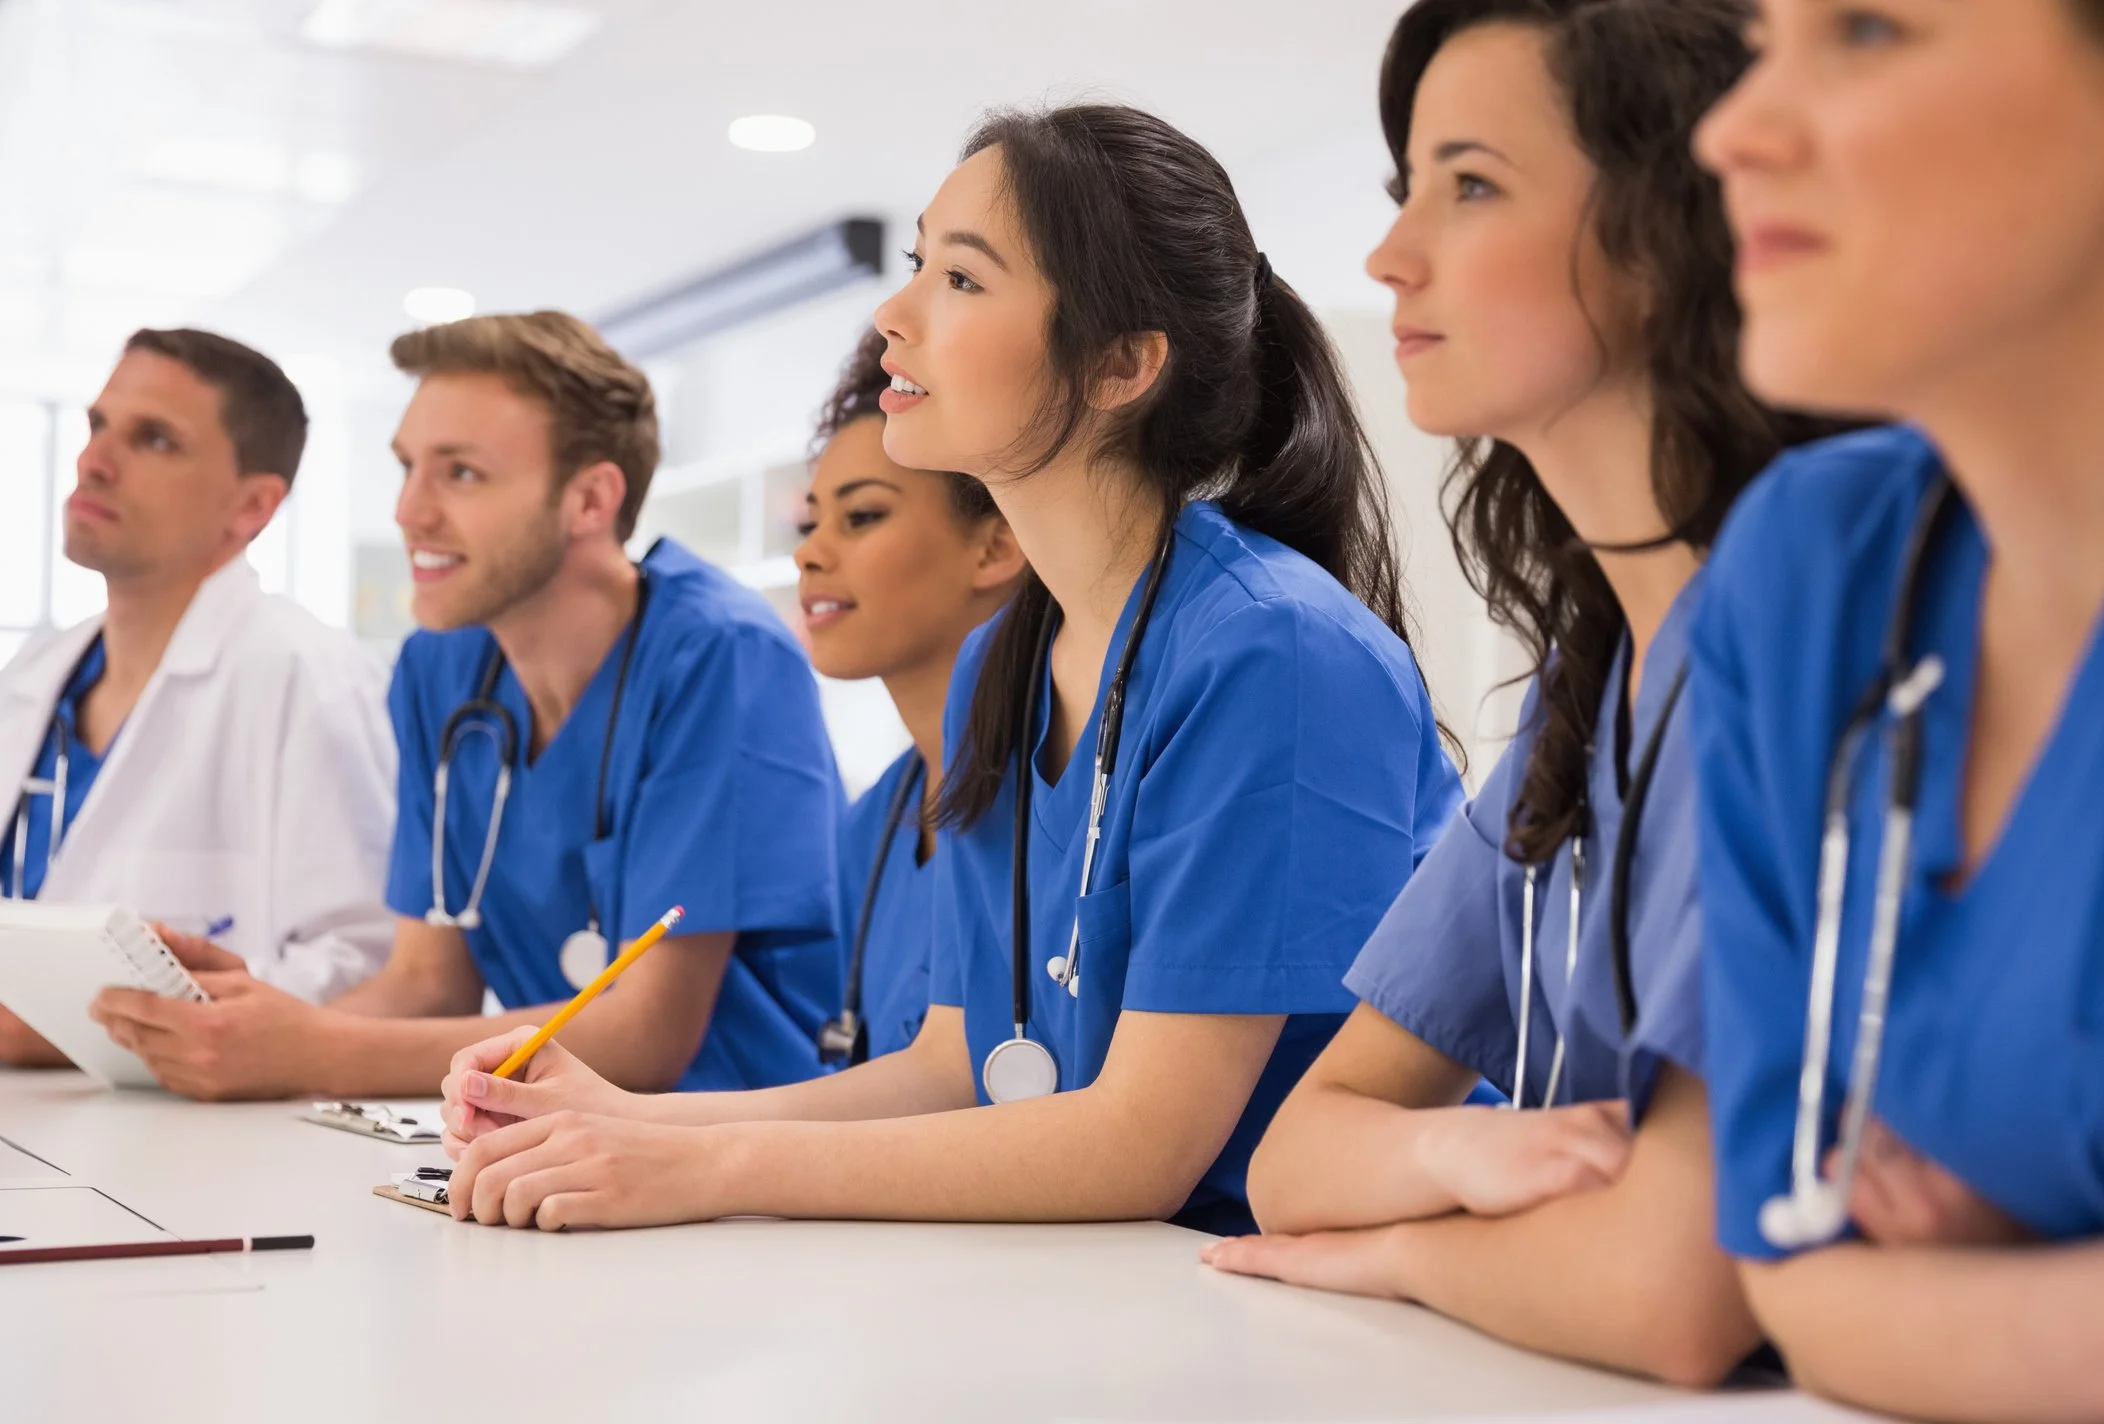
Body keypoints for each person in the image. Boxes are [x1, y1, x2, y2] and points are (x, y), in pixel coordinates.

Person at [432, 103, 1464, 1236]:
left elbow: (1142, 1146)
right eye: (918, 263)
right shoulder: (999, 665)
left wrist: (707, 1165)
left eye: (962, 280)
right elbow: (949, 1063)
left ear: (1121, 364)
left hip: (1305, 1307)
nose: (893, 309)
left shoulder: (1275, 650)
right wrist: (634, 1120)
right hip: (1098, 1280)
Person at [1201, 0, 1828, 1386]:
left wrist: (1407, 1249)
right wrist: (1463, 1149)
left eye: (1471, 185)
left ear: (1672, 236)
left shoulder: (1806, 644)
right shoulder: (1584, 689)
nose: (1388, 255)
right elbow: (1302, 1153)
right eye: (1404, 188)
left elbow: (1671, 1293)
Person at [1683, 2, 2104, 1419]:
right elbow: (1797, 1278)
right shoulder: (1816, 572)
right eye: (1760, 38)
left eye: (1866, 31)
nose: (1731, 131)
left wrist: (1975, 1292)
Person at [90, 312, 843, 1099]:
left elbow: (648, 1033)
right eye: (408, 467)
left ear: (589, 499)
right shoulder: (441, 668)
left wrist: (310, 1051)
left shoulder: (719, 655)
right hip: (554, 1145)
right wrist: (244, 1030)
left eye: (461, 474)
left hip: (744, 1157)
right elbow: (425, 984)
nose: (409, 511)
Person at [0, 328, 393, 1067]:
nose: (95, 462)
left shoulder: (308, 675)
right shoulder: (35, 673)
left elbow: (367, 969)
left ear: (252, 507)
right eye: (97, 426)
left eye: (153, 440)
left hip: (191, 1151)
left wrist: (69, 1020)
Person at [798, 329, 1025, 1068]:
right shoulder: (873, 826)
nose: (809, 551)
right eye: (811, 521)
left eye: (861, 516)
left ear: (995, 546)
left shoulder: (1058, 793)